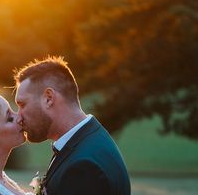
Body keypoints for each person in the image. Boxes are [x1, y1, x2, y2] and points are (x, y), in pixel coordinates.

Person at [14, 56, 131, 195]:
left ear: (49, 98)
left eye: (22, 105)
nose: (18, 117)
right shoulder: (86, 141)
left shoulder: (84, 167)